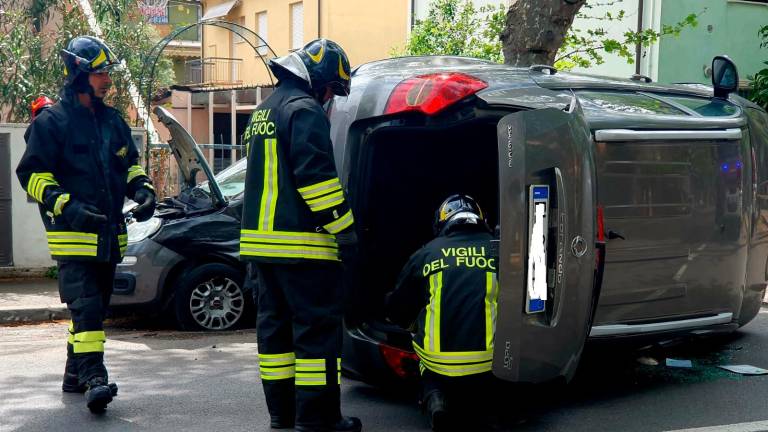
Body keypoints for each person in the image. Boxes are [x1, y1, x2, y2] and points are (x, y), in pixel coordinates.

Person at [15, 35, 156, 413]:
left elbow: (131, 166)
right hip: (74, 238)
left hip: (111, 238)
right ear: (78, 74)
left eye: (107, 72)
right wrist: (67, 206)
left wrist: (143, 191)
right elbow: (30, 174)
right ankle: (95, 377)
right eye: (99, 73)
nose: (106, 79)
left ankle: (73, 376)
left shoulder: (113, 121)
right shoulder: (53, 122)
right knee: (89, 309)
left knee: (89, 311)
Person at [239, 38, 361, 432]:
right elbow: (317, 182)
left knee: (275, 336)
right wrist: (347, 232)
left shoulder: (264, 110)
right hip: (303, 248)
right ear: (320, 81)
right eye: (331, 91)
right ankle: (319, 419)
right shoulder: (304, 110)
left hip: (262, 249)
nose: (330, 99)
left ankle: (283, 415)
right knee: (316, 337)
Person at [385, 194, 506, 431]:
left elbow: (398, 307)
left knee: (417, 333)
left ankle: (434, 396)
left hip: (437, 362)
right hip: (491, 362)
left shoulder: (427, 253)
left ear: (442, 222)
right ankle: (492, 405)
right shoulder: (499, 251)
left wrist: (409, 323)